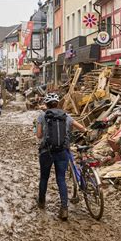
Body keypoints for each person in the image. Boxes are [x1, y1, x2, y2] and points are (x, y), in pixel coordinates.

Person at [36, 93, 87, 221]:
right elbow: (81, 128)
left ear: (46, 104)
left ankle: (41, 202)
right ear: (57, 103)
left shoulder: (42, 116)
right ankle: (64, 208)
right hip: (62, 152)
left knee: (44, 177)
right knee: (61, 179)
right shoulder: (66, 116)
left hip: (46, 152)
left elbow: (38, 135)